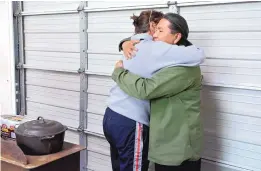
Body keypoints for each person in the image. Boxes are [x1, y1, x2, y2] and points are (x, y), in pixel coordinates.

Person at [103, 10, 205, 171]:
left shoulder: (182, 68)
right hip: (135, 124)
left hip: (175, 146)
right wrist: (125, 43)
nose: (155, 35)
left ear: (177, 37)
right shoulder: (157, 51)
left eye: (160, 30)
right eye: (155, 29)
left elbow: (146, 89)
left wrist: (118, 71)